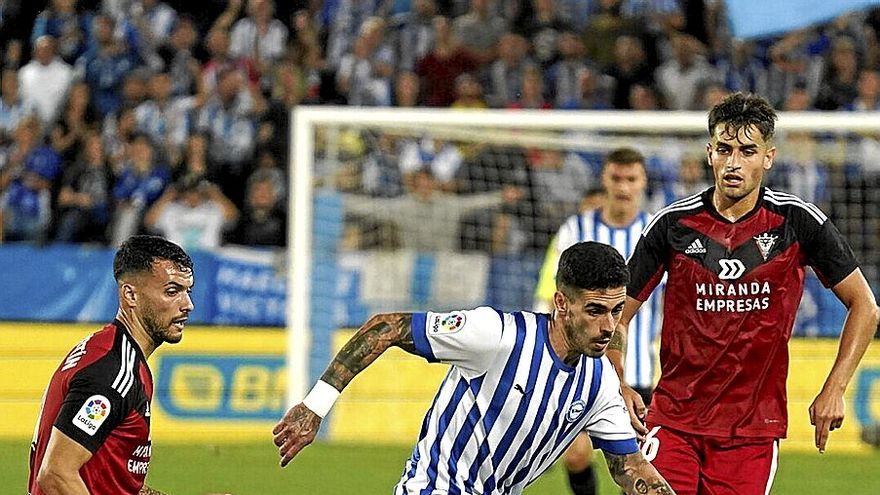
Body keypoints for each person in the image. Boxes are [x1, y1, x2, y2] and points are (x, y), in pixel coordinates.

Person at [610, 92, 880, 495]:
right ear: (709, 152)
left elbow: (866, 306)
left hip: (751, 431)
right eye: (724, 149)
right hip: (674, 420)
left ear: (768, 157)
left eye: (747, 151)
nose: (733, 163)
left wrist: (834, 388)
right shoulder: (673, 225)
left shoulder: (797, 222)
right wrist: (619, 383)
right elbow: (617, 313)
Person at [273, 241, 676, 495]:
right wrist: (314, 407)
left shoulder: (600, 382)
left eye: (616, 311)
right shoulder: (495, 335)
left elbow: (628, 467)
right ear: (560, 304)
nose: (608, 326)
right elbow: (386, 326)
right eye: (595, 311)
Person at [533, 148, 661, 495]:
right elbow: (549, 293)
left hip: (635, 375)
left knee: (636, 466)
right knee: (575, 454)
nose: (623, 187)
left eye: (631, 179)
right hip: (581, 372)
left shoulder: (656, 234)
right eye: (616, 178)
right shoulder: (575, 229)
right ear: (604, 178)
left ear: (642, 182)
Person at [28, 235, 194, 495]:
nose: (188, 305)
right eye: (172, 292)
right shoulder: (113, 371)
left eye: (188, 292)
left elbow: (112, 482)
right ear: (130, 295)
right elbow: (55, 475)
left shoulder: (114, 354)